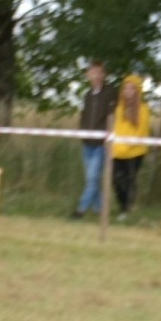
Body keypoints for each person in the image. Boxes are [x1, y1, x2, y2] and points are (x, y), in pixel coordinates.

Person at [71, 61, 115, 219]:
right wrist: (82, 132)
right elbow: (84, 116)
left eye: (98, 72)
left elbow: (111, 116)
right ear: (88, 75)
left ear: (103, 75)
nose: (95, 76)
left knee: (92, 178)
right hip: (86, 143)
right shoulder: (87, 95)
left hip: (100, 144)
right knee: (92, 179)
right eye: (92, 72)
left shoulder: (109, 93)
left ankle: (80, 210)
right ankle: (100, 210)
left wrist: (107, 136)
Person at [110, 75, 150, 219]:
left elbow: (140, 132)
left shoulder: (143, 110)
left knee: (129, 181)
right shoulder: (119, 109)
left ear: (137, 91)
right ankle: (123, 207)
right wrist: (115, 145)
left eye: (131, 88)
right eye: (125, 88)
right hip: (118, 152)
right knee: (115, 180)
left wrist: (127, 145)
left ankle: (126, 210)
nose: (128, 91)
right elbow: (116, 129)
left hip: (135, 152)